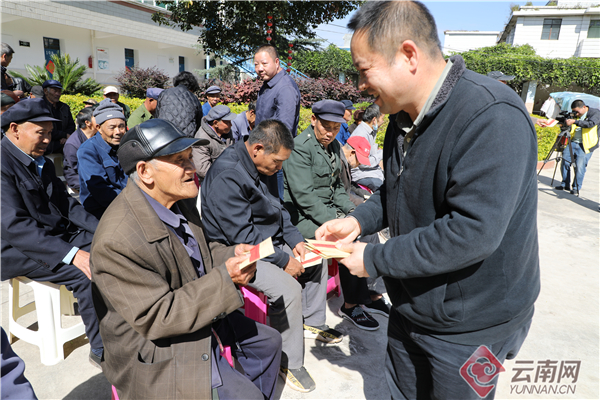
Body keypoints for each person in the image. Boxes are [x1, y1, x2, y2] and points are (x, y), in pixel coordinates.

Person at [316, 2, 541, 399]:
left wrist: (372, 260)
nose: (359, 85)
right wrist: (359, 221)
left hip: (471, 324)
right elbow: (396, 190)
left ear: (408, 55)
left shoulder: (491, 117)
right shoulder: (402, 119)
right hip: (412, 304)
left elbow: (470, 232)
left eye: (364, 70)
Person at [91, 119, 282, 400]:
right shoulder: (117, 239)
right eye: (180, 161)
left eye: (190, 157)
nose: (192, 168)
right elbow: (158, 316)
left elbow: (201, 251)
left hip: (193, 306)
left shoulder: (179, 199)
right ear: (145, 171)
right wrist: (225, 278)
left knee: (270, 342)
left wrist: (233, 255)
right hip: (157, 346)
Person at [202, 119, 342, 393]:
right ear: (257, 148)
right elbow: (243, 236)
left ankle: (312, 321)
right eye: (278, 162)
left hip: (267, 241)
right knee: (286, 286)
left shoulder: (263, 164)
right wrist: (282, 260)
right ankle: (288, 360)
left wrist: (296, 241)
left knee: (315, 257)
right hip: (232, 249)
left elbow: (278, 210)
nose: (280, 168)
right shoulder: (229, 174)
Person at [0, 98, 103, 368]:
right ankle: (101, 348)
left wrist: (103, 230)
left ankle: (122, 319)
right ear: (15, 129)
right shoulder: (2, 163)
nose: (47, 140)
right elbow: (14, 227)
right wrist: (72, 255)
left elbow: (67, 204)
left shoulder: (39, 160)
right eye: (41, 133)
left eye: (49, 133)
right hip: (15, 247)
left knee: (111, 248)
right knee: (85, 271)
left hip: (51, 235)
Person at [283, 100, 387, 331]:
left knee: (367, 232)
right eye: (325, 127)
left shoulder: (331, 146)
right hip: (301, 218)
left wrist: (352, 214)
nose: (330, 133)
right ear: (313, 120)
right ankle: (351, 305)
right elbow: (306, 199)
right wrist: (338, 222)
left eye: (336, 128)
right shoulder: (300, 148)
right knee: (347, 241)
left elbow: (339, 188)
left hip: (326, 211)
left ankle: (366, 293)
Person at [254, 44, 301, 199]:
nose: (260, 68)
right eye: (256, 64)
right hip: (263, 156)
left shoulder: (284, 88)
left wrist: (269, 158)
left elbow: (283, 130)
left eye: (264, 64)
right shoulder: (268, 84)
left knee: (273, 204)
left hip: (273, 160)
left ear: (277, 62)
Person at [77, 99, 128, 219]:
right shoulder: (87, 151)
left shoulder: (126, 145)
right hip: (101, 212)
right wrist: (132, 203)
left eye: (121, 127)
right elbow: (101, 191)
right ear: (99, 128)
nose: (118, 132)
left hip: (129, 203)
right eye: (112, 127)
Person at [555, 99, 600, 194]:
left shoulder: (595, 113)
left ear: (584, 107)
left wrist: (575, 121)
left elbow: (590, 124)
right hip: (573, 141)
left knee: (580, 166)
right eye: (574, 111)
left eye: (577, 111)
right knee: (565, 161)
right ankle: (565, 184)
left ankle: (576, 187)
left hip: (586, 144)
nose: (576, 113)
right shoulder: (576, 114)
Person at [193, 104, 235, 184]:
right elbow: (202, 169)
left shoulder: (227, 132)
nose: (231, 125)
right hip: (211, 183)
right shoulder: (202, 139)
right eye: (227, 122)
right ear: (215, 123)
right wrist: (226, 176)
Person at [349, 103, 385, 191]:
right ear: (374, 120)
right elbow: (363, 163)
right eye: (382, 118)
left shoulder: (370, 131)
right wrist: (382, 153)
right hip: (362, 174)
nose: (383, 121)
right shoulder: (361, 134)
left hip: (372, 172)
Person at [63, 107, 97, 192]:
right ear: (87, 122)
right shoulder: (72, 143)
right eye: (97, 117)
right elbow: (76, 168)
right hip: (79, 179)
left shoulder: (97, 136)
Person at [42, 79, 75, 154]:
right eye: (55, 91)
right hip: (46, 145)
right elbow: (43, 128)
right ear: (46, 91)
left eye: (59, 91)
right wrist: (63, 135)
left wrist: (66, 136)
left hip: (63, 144)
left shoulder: (64, 107)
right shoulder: (40, 106)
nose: (58, 94)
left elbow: (71, 126)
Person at [340, 135, 373, 206]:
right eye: (359, 160)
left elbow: (349, 185)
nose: (360, 163)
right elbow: (338, 193)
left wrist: (367, 195)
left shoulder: (347, 161)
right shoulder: (338, 163)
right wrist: (361, 202)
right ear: (352, 153)